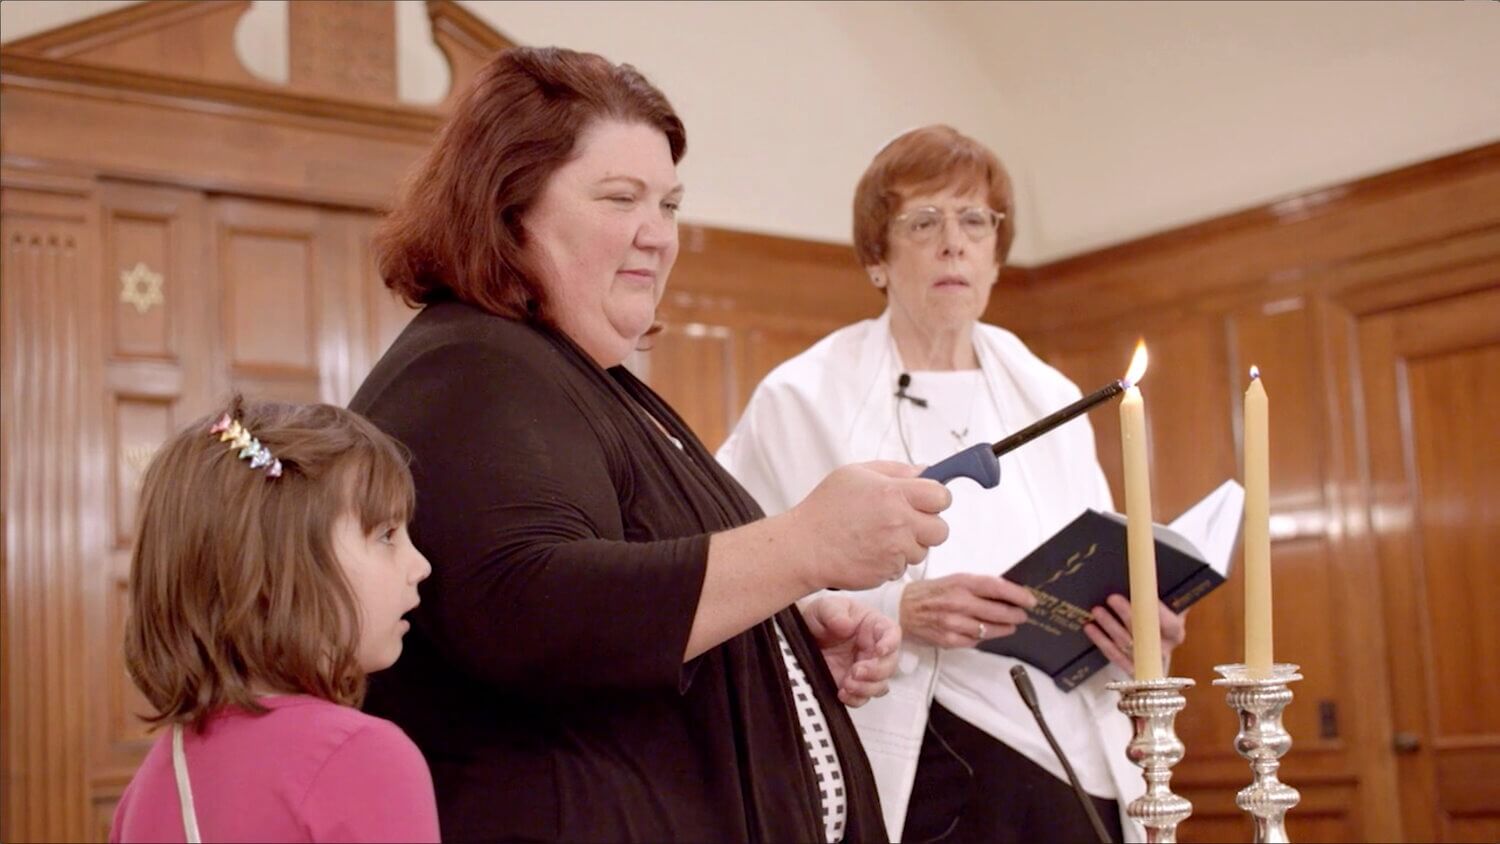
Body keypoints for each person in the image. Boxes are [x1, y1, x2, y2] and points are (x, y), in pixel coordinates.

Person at [348, 47, 951, 843]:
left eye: (668, 204)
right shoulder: (471, 364)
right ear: (507, 208)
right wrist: (806, 546)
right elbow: (532, 608)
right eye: (620, 198)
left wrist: (772, 648)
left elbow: (631, 610)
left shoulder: (576, 372)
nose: (658, 236)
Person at [717, 125, 1188, 844]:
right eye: (924, 221)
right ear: (877, 257)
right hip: (924, 759)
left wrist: (1138, 628)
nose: (953, 243)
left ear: (997, 254)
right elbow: (733, 583)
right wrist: (895, 607)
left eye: (975, 221)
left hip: (1072, 755)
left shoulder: (1050, 393)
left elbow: (1100, 558)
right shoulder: (802, 397)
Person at [111, 396, 439, 843]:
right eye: (386, 535)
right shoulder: (360, 757)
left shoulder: (149, 788)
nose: (420, 565)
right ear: (282, 568)